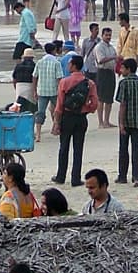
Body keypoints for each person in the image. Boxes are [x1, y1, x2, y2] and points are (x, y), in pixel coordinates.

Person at [51, 55, 98, 187]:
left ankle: (61, 176)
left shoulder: (64, 82)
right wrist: (86, 109)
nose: (67, 65)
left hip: (67, 117)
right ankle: (75, 178)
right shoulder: (89, 83)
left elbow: (59, 105)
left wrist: (56, 122)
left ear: (73, 65)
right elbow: (94, 104)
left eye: (69, 63)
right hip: (81, 118)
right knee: (78, 148)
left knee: (64, 147)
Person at [115, 58, 138, 186]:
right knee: (136, 150)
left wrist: (121, 123)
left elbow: (122, 104)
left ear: (128, 69)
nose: (121, 70)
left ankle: (122, 176)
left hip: (127, 121)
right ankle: (136, 176)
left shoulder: (124, 83)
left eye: (123, 68)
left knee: (123, 149)